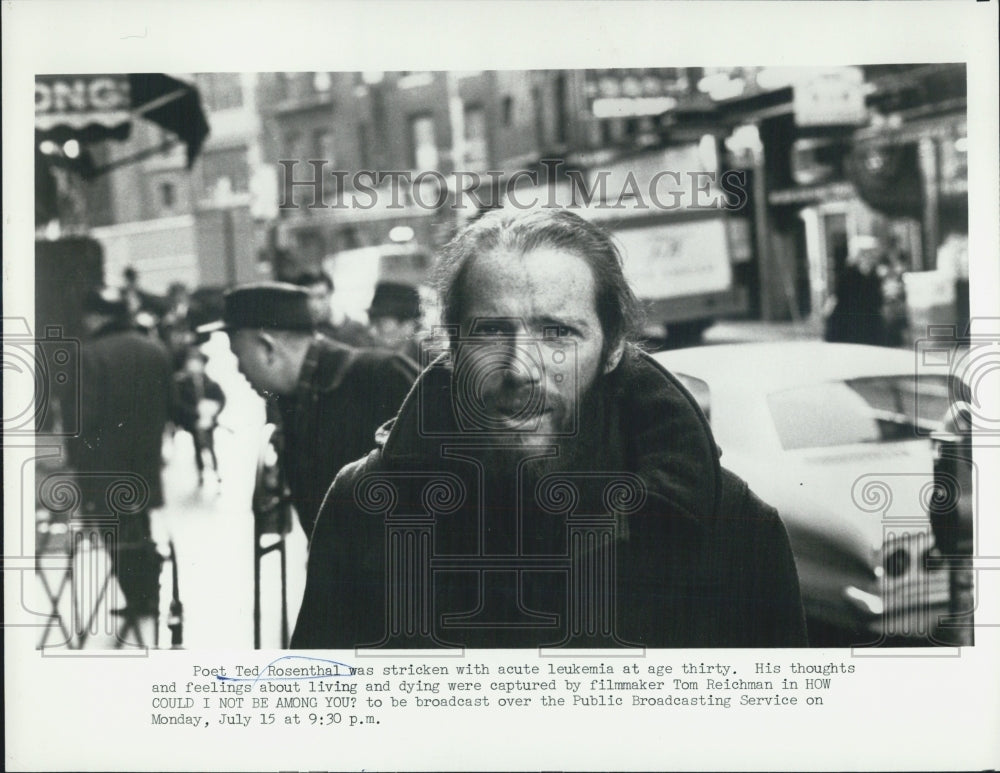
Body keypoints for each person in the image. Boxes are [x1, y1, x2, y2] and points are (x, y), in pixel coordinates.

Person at [292, 208, 807, 649]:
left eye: (558, 332)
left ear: (613, 350)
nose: (520, 368)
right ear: (453, 347)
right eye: (491, 330)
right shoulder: (363, 506)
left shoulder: (732, 526)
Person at [202, 282, 418, 538]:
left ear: (267, 347)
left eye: (238, 355)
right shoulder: (290, 399)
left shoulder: (383, 376)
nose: (239, 369)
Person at [66, 287, 173, 619]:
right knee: (139, 528)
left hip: (104, 467)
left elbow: (82, 418)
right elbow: (171, 402)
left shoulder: (89, 355)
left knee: (117, 534)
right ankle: (149, 596)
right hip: (146, 463)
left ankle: (140, 599)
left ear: (96, 317)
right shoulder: (154, 349)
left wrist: (76, 461)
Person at [170, 346, 226, 485]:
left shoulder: (210, 383)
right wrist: (194, 413)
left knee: (210, 445)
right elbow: (178, 403)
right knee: (197, 445)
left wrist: (213, 411)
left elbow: (221, 399)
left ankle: (216, 471)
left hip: (208, 422)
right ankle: (201, 471)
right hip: (194, 421)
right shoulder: (182, 384)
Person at [823, 235, 886, 346]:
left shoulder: (874, 275)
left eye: (873, 254)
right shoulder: (847, 275)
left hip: (869, 324)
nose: (872, 258)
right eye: (868, 254)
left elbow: (877, 299)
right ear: (859, 255)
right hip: (849, 324)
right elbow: (842, 298)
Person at [289, 268, 374, 348]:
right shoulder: (297, 333)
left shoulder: (355, 329)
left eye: (321, 297)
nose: (314, 305)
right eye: (308, 298)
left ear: (331, 294)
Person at [366, 280, 424, 364]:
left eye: (381, 324)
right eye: (372, 322)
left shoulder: (432, 368)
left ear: (408, 326)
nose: (371, 332)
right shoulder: (365, 362)